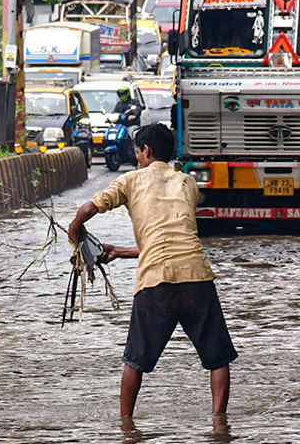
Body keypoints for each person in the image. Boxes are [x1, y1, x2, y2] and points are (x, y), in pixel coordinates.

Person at [68, 123, 237, 418]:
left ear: (145, 151)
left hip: (155, 283)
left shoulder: (130, 181)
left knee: (135, 361)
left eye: (137, 153)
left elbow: (88, 209)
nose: (136, 159)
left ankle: (126, 426)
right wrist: (120, 252)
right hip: (197, 277)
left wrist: (74, 232)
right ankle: (219, 425)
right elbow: (172, 238)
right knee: (218, 359)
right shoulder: (187, 183)